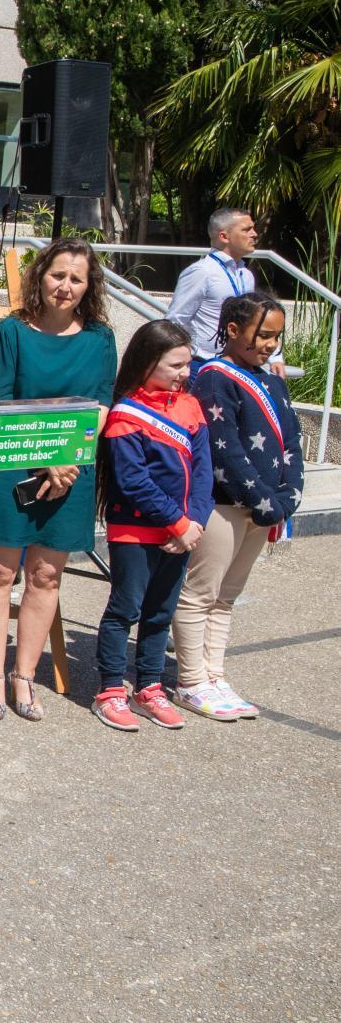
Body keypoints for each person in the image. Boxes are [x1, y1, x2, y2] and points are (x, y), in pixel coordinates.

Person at [0, 239, 117, 721]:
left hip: (71, 471)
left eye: (76, 278)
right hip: (11, 464)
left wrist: (65, 460)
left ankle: (24, 677)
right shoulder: (12, 331)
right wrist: (42, 458)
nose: (66, 286)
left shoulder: (99, 338)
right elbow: (0, 404)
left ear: (88, 285)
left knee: (46, 575)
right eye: (58, 275)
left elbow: (99, 405)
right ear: (41, 276)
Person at [172, 291, 303, 721]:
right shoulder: (214, 378)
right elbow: (223, 448)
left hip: (262, 508)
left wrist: (288, 497)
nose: (269, 345)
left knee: (227, 596)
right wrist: (263, 498)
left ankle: (214, 673)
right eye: (262, 335)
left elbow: (292, 443)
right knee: (200, 594)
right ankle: (191, 681)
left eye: (276, 337)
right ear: (232, 330)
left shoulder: (273, 381)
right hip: (226, 504)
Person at [89, 320, 212, 731]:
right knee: (125, 608)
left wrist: (193, 521)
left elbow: (203, 470)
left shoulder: (190, 406)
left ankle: (150, 686)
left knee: (160, 613)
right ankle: (109, 689)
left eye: (187, 364)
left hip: (181, 533)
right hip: (136, 532)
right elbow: (132, 481)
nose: (184, 373)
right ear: (147, 362)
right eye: (175, 365)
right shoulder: (126, 414)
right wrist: (178, 522)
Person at [165, 208, 284, 375]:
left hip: (239, 363)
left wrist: (275, 358)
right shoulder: (202, 271)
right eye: (246, 229)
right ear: (224, 236)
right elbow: (175, 320)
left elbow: (257, 322)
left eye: (253, 228)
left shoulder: (246, 274)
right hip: (205, 364)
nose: (254, 234)